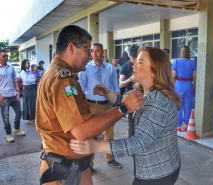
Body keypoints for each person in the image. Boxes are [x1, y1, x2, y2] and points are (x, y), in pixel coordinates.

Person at [35, 25, 143, 185]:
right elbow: (81, 131)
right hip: (65, 172)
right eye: (88, 50)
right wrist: (123, 108)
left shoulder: (57, 72)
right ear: (71, 47)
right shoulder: (62, 79)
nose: (91, 56)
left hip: (69, 167)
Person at [70, 47, 181, 185]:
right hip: (148, 166)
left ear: (154, 71)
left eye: (140, 62)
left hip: (157, 172)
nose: (134, 64)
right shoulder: (144, 91)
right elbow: (128, 104)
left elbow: (139, 142)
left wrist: (96, 146)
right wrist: (107, 93)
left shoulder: (158, 102)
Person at [79, 43, 122, 169]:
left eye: (98, 51)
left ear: (103, 52)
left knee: (110, 134)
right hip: (92, 106)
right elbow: (81, 87)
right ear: (90, 53)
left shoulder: (110, 69)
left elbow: (116, 86)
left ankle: (110, 158)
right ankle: (89, 163)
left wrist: (118, 105)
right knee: (92, 135)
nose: (95, 53)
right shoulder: (86, 69)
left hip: (108, 105)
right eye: (93, 51)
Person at [0, 49, 25, 143]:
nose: (6, 57)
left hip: (13, 94)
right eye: (4, 56)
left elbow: (15, 79)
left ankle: (16, 129)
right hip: (4, 97)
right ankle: (8, 134)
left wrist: (18, 91)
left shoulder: (11, 67)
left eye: (6, 56)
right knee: (5, 117)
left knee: (19, 113)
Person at [172, 46, 196, 132]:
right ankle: (186, 125)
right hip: (189, 85)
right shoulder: (193, 62)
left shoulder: (176, 62)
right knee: (188, 106)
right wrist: (195, 87)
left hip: (179, 85)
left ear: (181, 52)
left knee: (179, 106)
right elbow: (194, 77)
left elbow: (173, 76)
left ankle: (178, 126)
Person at [119, 44, 139, 137]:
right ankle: (132, 142)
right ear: (130, 56)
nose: (135, 61)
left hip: (142, 95)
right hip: (130, 96)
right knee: (131, 122)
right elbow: (121, 83)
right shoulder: (125, 67)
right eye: (132, 58)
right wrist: (130, 79)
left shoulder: (141, 65)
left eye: (136, 58)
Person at [20, 60, 38, 124]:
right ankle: (29, 119)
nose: (29, 64)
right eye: (28, 63)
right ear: (24, 64)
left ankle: (33, 117)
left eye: (29, 63)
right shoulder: (23, 72)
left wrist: (35, 80)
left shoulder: (29, 72)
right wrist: (34, 80)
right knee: (28, 104)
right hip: (28, 89)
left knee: (33, 103)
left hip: (33, 88)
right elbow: (26, 80)